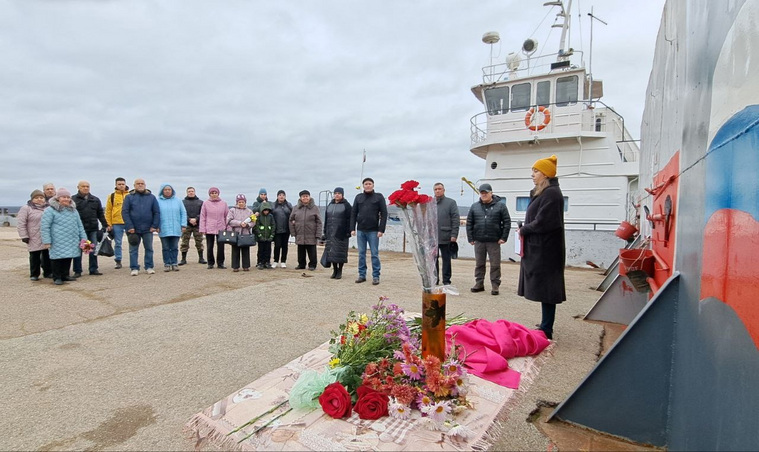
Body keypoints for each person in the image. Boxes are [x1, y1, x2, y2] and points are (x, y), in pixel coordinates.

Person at [518, 155, 566, 340]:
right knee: (546, 288)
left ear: (546, 174)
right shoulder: (544, 192)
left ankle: (547, 328)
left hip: (547, 251)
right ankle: (546, 323)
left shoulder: (552, 194)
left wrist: (524, 229)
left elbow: (545, 222)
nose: (533, 174)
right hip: (543, 248)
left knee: (548, 289)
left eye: (536, 171)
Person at [466, 183, 511, 296]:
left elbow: (507, 222)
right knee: (479, 264)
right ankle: (479, 283)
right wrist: (470, 237)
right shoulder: (474, 206)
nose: (484, 195)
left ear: (491, 193)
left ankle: (495, 285)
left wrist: (503, 237)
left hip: (494, 240)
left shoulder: (501, 206)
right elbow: (469, 223)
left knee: (495, 264)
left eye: (486, 193)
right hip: (479, 240)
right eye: (482, 193)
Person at [40, 188, 87, 285]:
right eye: (63, 197)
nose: (66, 199)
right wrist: (47, 241)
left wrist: (84, 239)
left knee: (68, 257)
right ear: (58, 198)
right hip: (57, 239)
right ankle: (57, 277)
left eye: (68, 197)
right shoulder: (50, 210)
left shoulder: (73, 211)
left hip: (71, 238)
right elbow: (45, 226)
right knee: (57, 258)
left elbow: (79, 225)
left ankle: (65, 275)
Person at [350, 177, 387, 285]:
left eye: (370, 183)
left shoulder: (379, 197)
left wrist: (381, 229)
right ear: (363, 186)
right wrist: (352, 228)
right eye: (366, 184)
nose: (368, 185)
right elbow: (353, 213)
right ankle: (362, 275)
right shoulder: (358, 197)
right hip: (361, 230)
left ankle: (376, 276)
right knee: (361, 254)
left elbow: (384, 214)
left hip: (374, 231)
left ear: (373, 185)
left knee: (374, 254)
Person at [122, 179, 160, 276]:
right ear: (134, 185)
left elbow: (156, 212)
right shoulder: (129, 197)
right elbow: (125, 212)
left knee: (149, 248)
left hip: (148, 228)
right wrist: (129, 226)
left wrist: (154, 226)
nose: (140, 185)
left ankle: (149, 266)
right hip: (133, 229)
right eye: (138, 184)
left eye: (142, 184)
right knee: (133, 249)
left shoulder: (151, 197)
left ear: (145, 185)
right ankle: (134, 267)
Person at [72, 180, 108, 277]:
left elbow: (100, 214)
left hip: (93, 229)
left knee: (93, 249)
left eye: (87, 186)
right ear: (78, 187)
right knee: (78, 250)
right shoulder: (73, 200)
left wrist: (105, 225)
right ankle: (77, 270)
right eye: (83, 186)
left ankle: (93, 269)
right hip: (79, 230)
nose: (85, 188)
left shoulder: (95, 199)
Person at [17, 189, 52, 280]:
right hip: (33, 236)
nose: (39, 199)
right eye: (36, 198)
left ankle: (48, 272)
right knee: (34, 256)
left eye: (41, 197)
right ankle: (34, 274)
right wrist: (24, 235)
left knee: (47, 255)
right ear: (32, 199)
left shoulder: (48, 208)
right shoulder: (26, 208)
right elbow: (21, 223)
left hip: (46, 235)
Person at [322, 187, 352, 279]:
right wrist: (325, 231)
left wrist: (348, 231)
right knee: (332, 253)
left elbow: (350, 219)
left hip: (341, 233)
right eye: (335, 193)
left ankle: (340, 271)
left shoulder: (346, 205)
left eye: (339, 193)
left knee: (340, 253)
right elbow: (326, 219)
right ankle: (334, 270)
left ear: (342, 195)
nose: (337, 195)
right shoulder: (330, 205)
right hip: (331, 232)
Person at [157, 183, 187, 272]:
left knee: (174, 247)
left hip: (176, 227)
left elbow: (183, 213)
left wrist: (183, 224)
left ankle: (174, 263)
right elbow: (155, 214)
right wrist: (156, 226)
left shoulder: (178, 201)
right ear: (162, 191)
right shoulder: (158, 201)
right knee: (165, 247)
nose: (167, 191)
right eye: (165, 190)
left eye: (169, 189)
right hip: (163, 228)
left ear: (172, 191)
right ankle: (167, 263)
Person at [434, 182, 459, 286]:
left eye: (439, 189)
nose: (437, 191)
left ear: (444, 190)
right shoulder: (430, 203)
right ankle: (435, 279)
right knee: (433, 261)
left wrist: (454, 235)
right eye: (435, 189)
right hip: (433, 237)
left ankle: (446, 280)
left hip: (446, 236)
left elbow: (455, 219)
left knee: (446, 260)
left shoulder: (451, 203)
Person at [289, 190, 322, 271]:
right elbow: (291, 220)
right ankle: (301, 264)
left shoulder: (315, 208)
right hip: (299, 233)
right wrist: (293, 232)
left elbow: (319, 222)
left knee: (312, 250)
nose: (305, 198)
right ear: (300, 198)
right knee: (300, 251)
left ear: (309, 197)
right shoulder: (296, 208)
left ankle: (312, 265)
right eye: (303, 196)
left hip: (311, 233)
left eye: (307, 196)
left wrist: (318, 234)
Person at [199, 187, 228, 269]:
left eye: (215, 193)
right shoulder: (205, 203)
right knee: (209, 246)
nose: (214, 194)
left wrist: (228, 228)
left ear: (218, 194)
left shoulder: (224, 203)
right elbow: (203, 216)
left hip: (221, 227)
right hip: (209, 227)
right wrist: (202, 228)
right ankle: (210, 263)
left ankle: (220, 263)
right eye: (212, 193)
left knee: (221, 246)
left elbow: (227, 216)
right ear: (209, 194)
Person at [227, 194, 255, 272]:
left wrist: (247, 225)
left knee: (245, 250)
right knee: (235, 250)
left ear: (245, 202)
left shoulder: (249, 211)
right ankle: (235, 266)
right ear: (237, 202)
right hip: (236, 233)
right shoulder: (232, 210)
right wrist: (239, 223)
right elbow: (229, 221)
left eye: (242, 202)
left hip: (246, 233)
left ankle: (246, 266)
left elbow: (253, 222)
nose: (241, 203)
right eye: (239, 202)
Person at [179, 187, 206, 265]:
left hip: (197, 225)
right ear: (187, 192)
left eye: (192, 191)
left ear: (195, 192)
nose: (191, 192)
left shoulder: (200, 202)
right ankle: (183, 259)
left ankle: (201, 258)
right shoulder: (182, 202)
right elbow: (181, 213)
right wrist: (189, 219)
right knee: (184, 242)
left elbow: (203, 213)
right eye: (189, 191)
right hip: (186, 224)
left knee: (199, 242)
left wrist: (196, 219)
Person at [105, 177, 128, 269]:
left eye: (123, 184)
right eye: (119, 184)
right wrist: (108, 224)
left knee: (133, 241)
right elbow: (108, 211)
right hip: (116, 222)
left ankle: (134, 260)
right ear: (116, 185)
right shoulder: (112, 196)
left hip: (128, 221)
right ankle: (118, 260)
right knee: (118, 242)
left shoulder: (130, 195)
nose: (121, 186)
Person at [272, 190, 292, 268]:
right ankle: (275, 261)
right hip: (277, 229)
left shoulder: (289, 205)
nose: (281, 196)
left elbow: (292, 215)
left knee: (285, 246)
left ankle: (283, 261)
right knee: (277, 246)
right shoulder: (273, 205)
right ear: (277, 196)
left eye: (283, 195)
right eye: (280, 195)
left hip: (286, 229)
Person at [255, 202, 275, 269]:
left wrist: (272, 236)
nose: (266, 211)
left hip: (268, 237)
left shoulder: (271, 216)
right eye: (265, 210)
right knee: (261, 250)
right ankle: (260, 262)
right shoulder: (259, 217)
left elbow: (273, 225)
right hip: (261, 237)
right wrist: (260, 236)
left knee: (268, 250)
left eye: (267, 210)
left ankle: (267, 262)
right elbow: (256, 227)